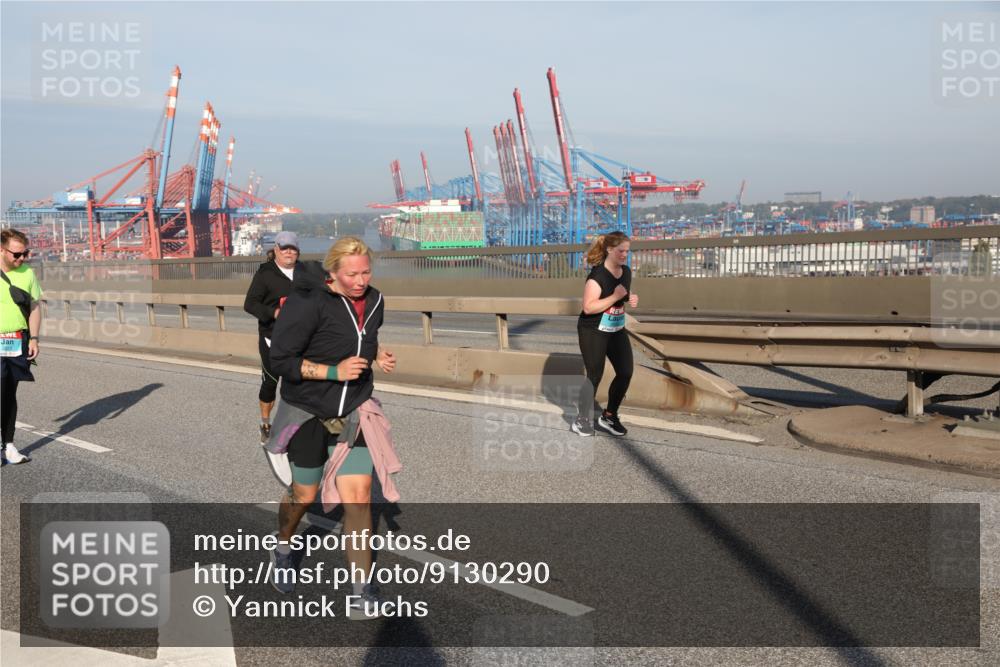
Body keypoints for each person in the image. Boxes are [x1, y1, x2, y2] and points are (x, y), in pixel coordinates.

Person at [268, 236, 397, 619]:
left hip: (355, 411)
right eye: (352, 274)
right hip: (307, 412)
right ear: (333, 273)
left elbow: (360, 338)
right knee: (303, 496)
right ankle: (284, 547)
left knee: (358, 498)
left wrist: (376, 352)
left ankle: (361, 587)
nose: (361, 280)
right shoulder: (308, 303)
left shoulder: (375, 301)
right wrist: (331, 372)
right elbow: (281, 360)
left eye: (366, 272)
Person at [574, 231, 638, 437]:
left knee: (626, 371)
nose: (624, 255)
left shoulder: (626, 272)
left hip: (615, 328)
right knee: (594, 374)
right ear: (609, 249)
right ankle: (581, 419)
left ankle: (609, 416)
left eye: (627, 251)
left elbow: (621, 296)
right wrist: (615, 296)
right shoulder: (597, 276)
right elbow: (589, 308)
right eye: (621, 251)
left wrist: (629, 298)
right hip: (592, 329)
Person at [243, 231, 304, 443]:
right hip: (272, 338)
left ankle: (296, 424)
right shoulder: (265, 273)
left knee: (298, 382)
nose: (289, 252)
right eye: (284, 248)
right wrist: (274, 313)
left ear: (298, 251)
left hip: (301, 340)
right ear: (276, 249)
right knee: (270, 382)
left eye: (293, 248)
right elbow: (249, 304)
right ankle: (265, 423)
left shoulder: (306, 272)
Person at [1, 229, 41, 465]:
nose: (21, 259)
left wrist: (34, 338)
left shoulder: (27, 273)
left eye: (25, 253)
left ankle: (9, 446)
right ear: (2, 250)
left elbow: (35, 307)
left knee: (9, 393)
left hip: (16, 341)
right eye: (16, 254)